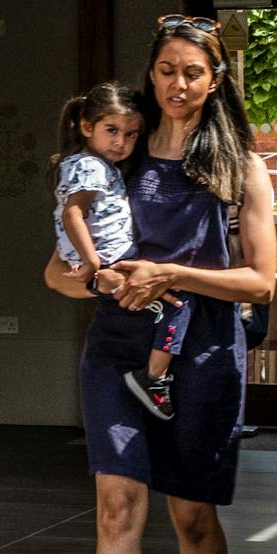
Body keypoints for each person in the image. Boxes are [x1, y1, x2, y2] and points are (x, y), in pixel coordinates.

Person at [71, 16, 277, 554]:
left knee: (190, 514)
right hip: (118, 349)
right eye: (166, 69)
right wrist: (102, 280)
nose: (178, 83)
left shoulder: (239, 165)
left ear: (214, 80)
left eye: (192, 71)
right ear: (151, 73)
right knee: (117, 508)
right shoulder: (113, 159)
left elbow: (260, 282)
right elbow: (57, 273)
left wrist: (171, 274)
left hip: (204, 350)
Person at [52, 82, 191, 418]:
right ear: (87, 127)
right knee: (179, 306)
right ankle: (154, 377)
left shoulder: (103, 167)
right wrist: (93, 263)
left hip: (112, 258)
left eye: (130, 135)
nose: (120, 142)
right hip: (107, 259)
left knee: (167, 304)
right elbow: (73, 212)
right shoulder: (89, 166)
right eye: (111, 131)